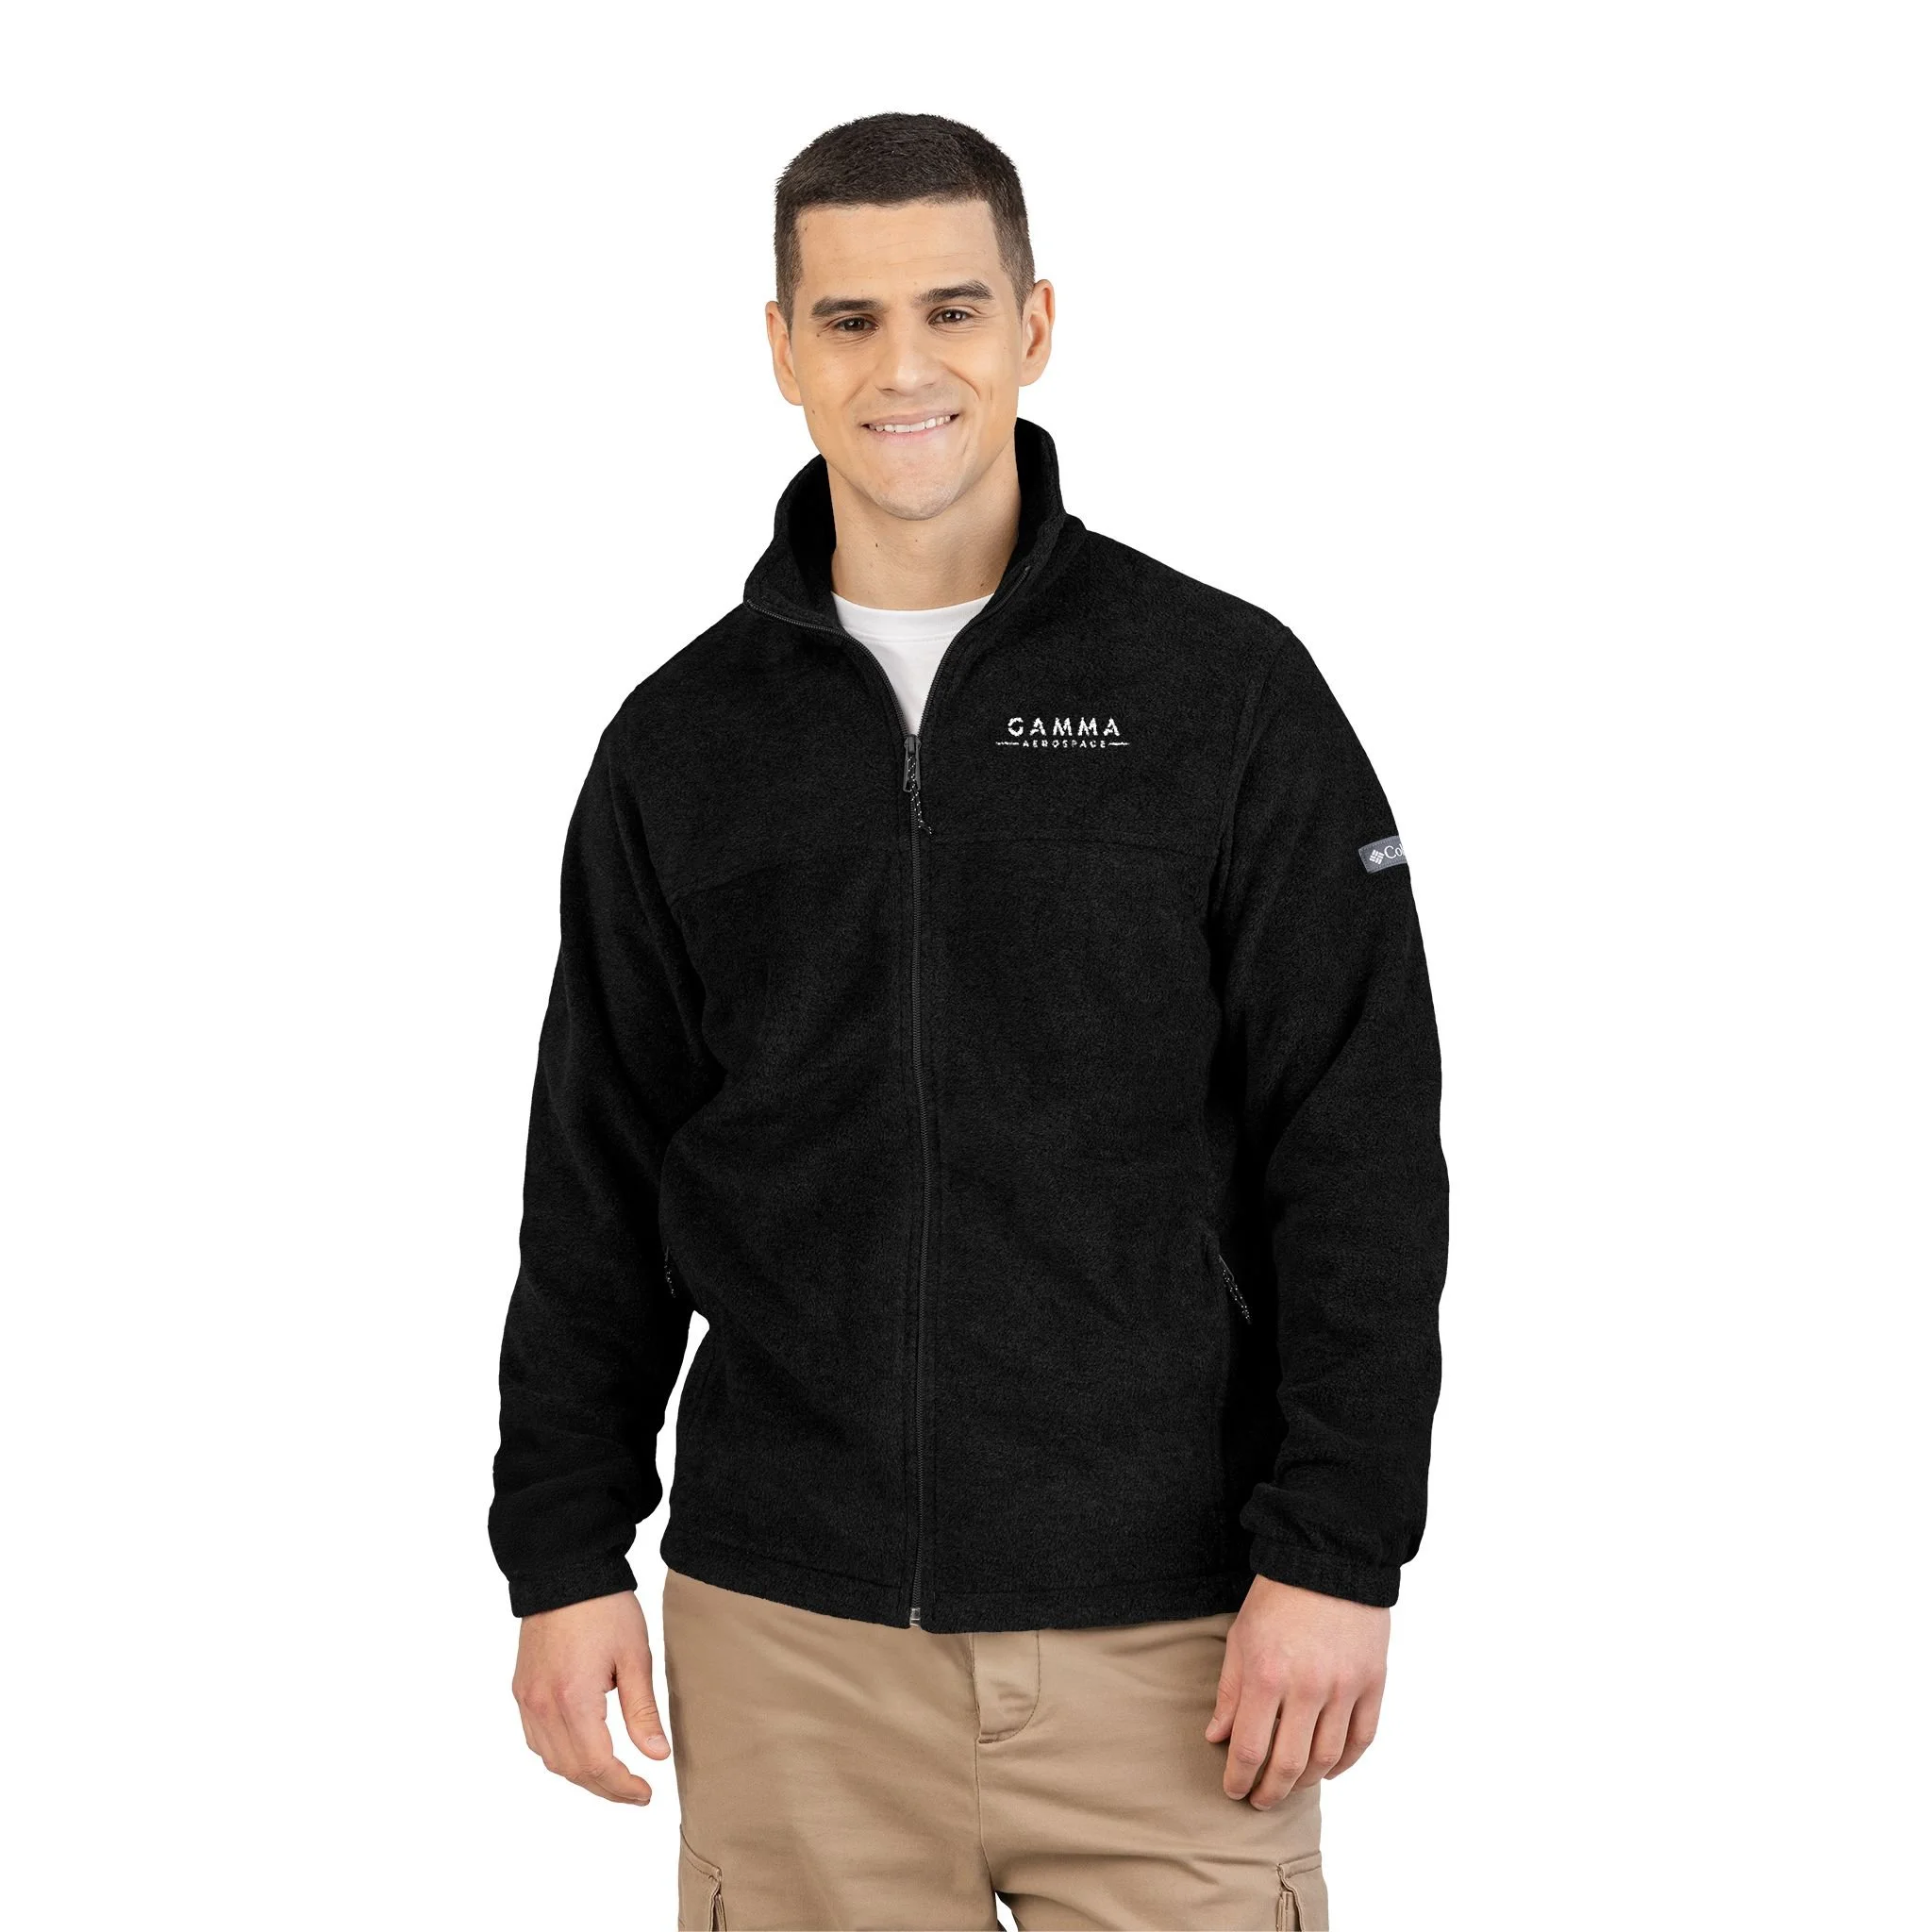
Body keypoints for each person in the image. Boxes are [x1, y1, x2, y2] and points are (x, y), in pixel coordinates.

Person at [491, 111, 1448, 1931]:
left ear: (1035, 325)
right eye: (848, 321)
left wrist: (1338, 1549)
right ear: (781, 350)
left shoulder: (1223, 693)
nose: (904, 367)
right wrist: (560, 1548)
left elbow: (1359, 1143)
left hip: (1175, 1645)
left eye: (952, 309)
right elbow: (595, 1176)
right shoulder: (682, 747)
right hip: (792, 1648)